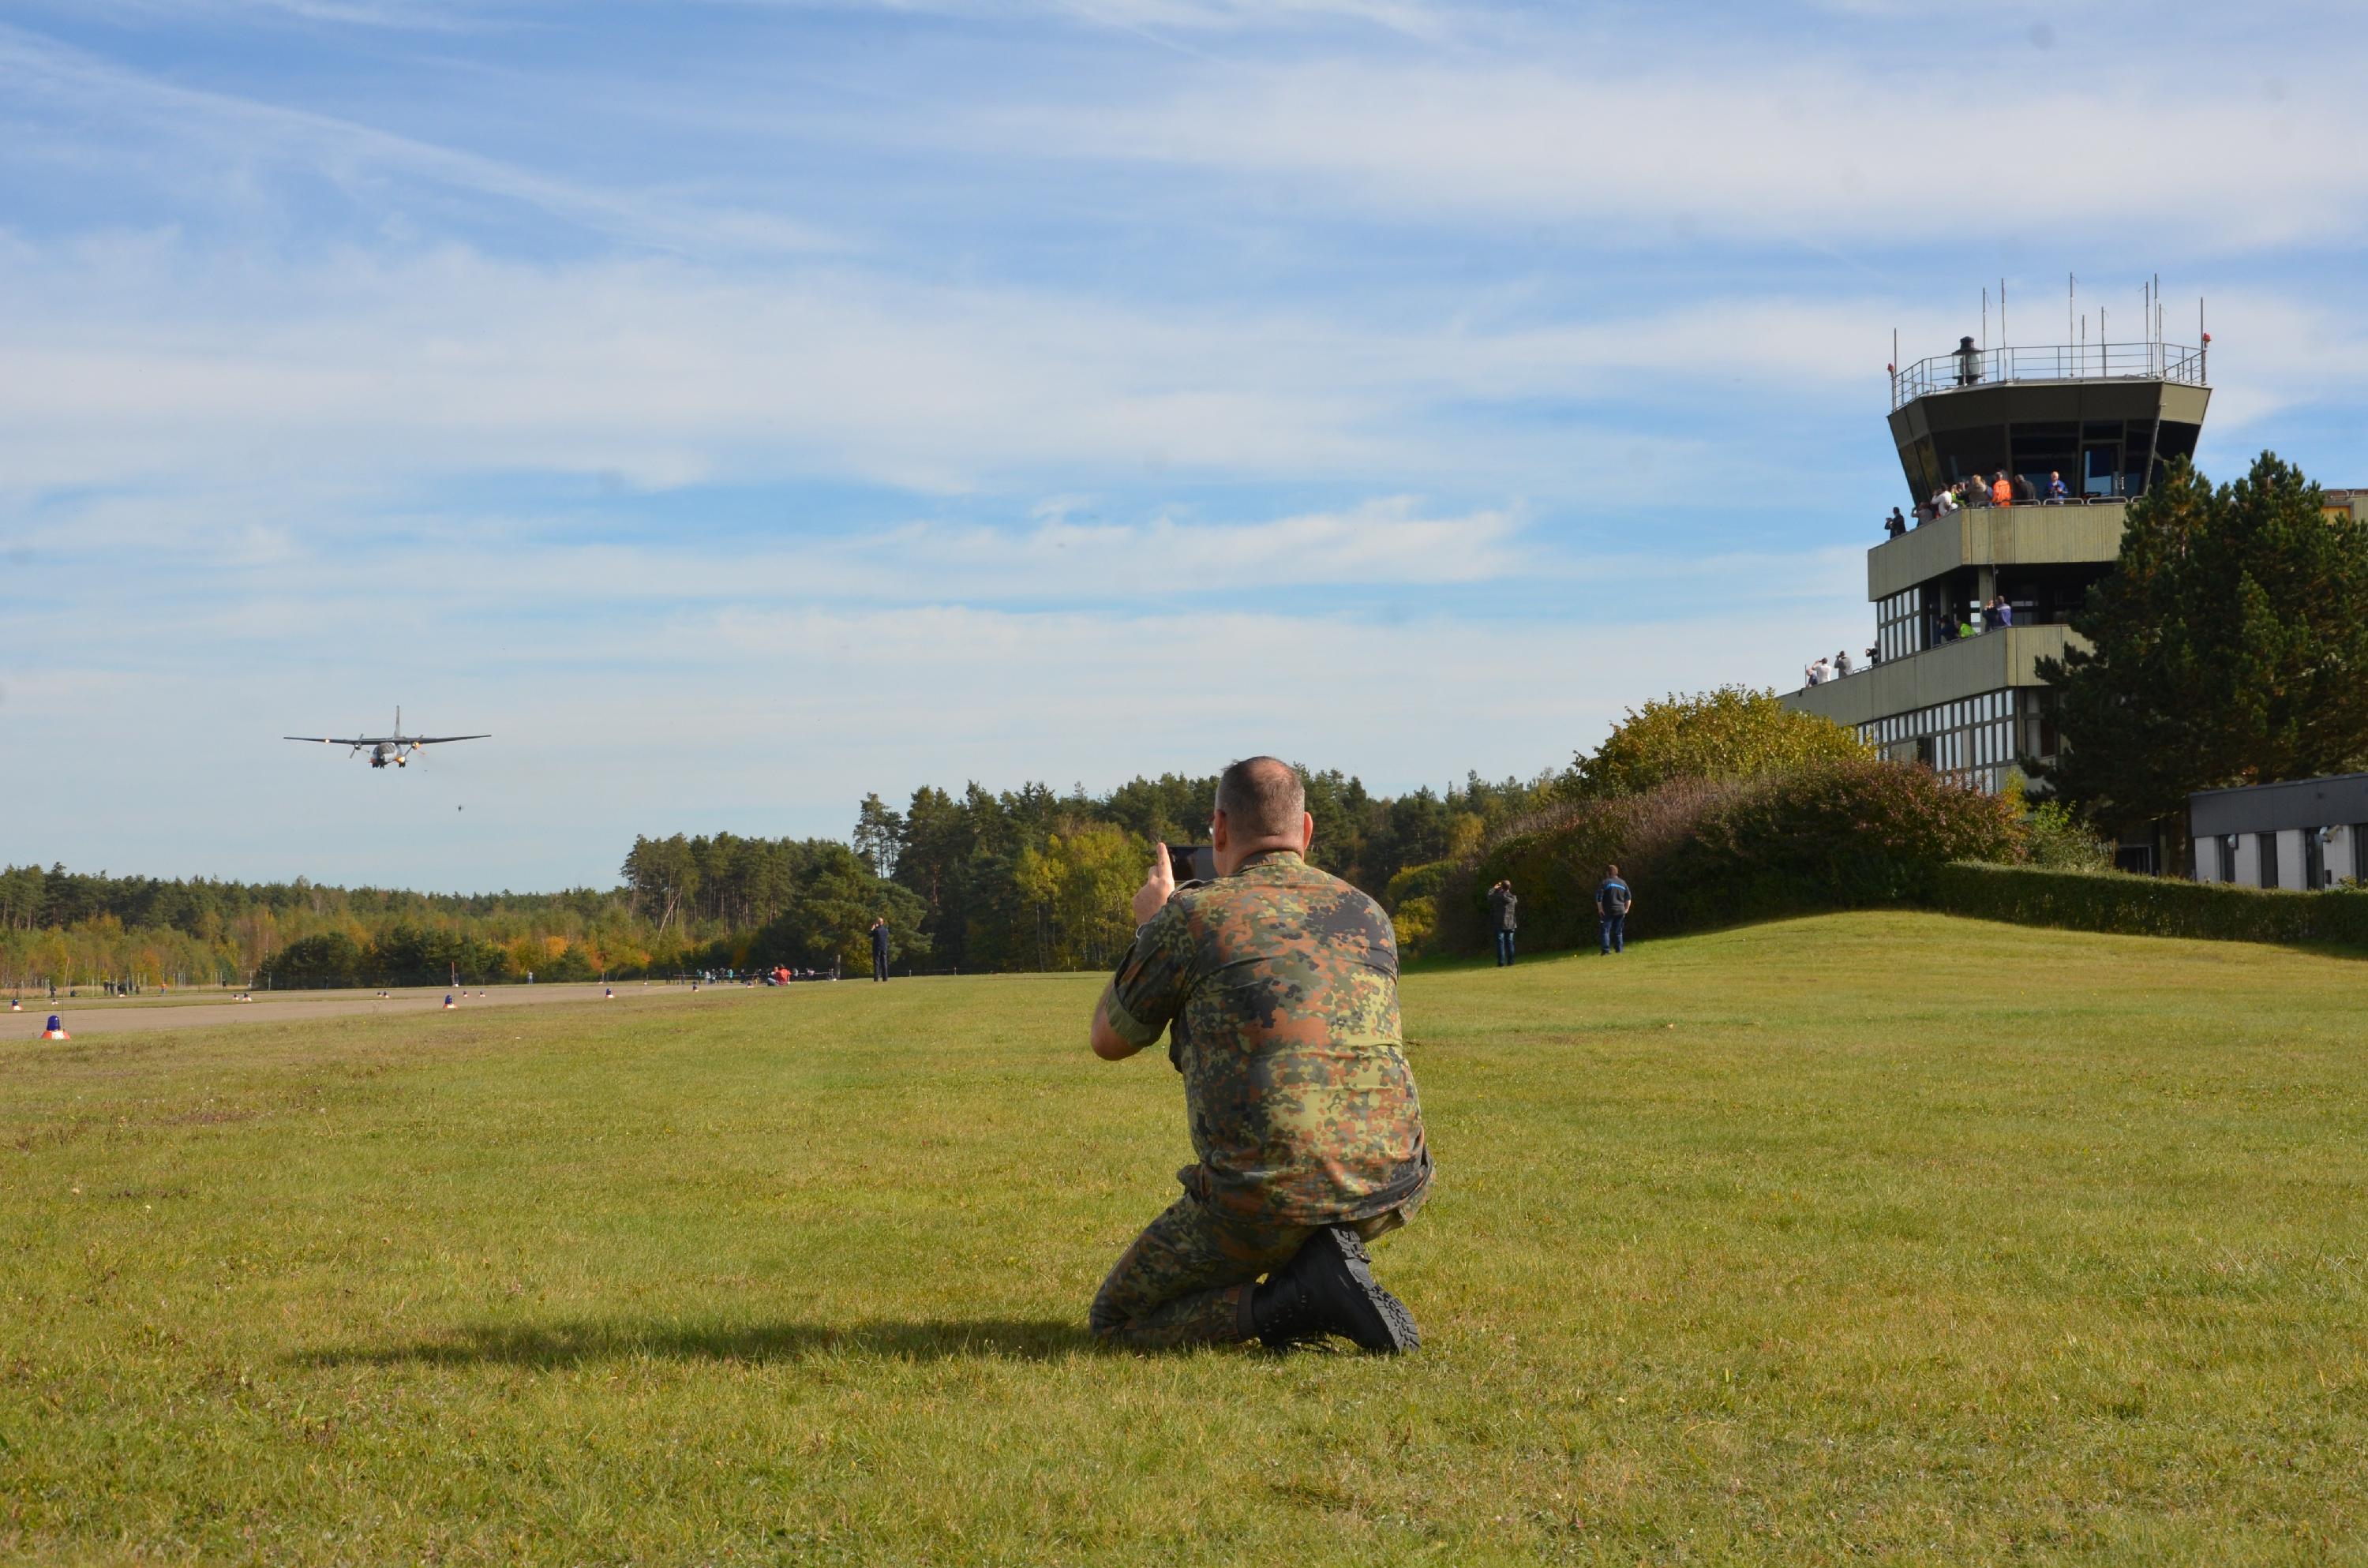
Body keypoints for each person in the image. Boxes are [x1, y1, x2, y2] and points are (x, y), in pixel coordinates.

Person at [1087, 756, 1431, 1354]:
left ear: (1220, 829)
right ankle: (1321, 1255)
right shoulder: (1368, 913)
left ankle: (1292, 1300)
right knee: (1288, 1211)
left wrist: (1150, 927)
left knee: (1116, 1320)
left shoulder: (1192, 916)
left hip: (1263, 1195)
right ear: (1306, 830)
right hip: (1391, 1185)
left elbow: (1108, 1039)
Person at [1595, 865, 1632, 955]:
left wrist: (1600, 909)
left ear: (1607, 873)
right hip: (1621, 910)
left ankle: (1605, 951)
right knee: (1618, 931)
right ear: (1617, 872)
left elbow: (1599, 897)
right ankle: (1619, 950)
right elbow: (1628, 898)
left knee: (1605, 931)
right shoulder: (1623, 883)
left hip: (1608, 910)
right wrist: (1626, 909)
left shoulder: (1605, 882)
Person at [1488, 879, 1518, 967]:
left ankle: (1501, 963)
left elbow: (1489, 896)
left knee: (1500, 943)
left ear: (1502, 887)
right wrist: (1503, 890)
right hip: (1511, 923)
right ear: (1510, 887)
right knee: (1510, 942)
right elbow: (1509, 896)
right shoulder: (1514, 898)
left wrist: (1494, 888)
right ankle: (1511, 962)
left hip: (1500, 923)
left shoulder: (1498, 896)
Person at [869, 917, 890, 982]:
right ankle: (885, 978)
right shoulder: (886, 930)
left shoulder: (876, 930)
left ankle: (876, 978)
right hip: (884, 947)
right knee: (884, 963)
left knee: (877, 963)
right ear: (882, 922)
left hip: (877, 948)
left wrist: (873, 928)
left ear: (877, 923)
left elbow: (869, 935)